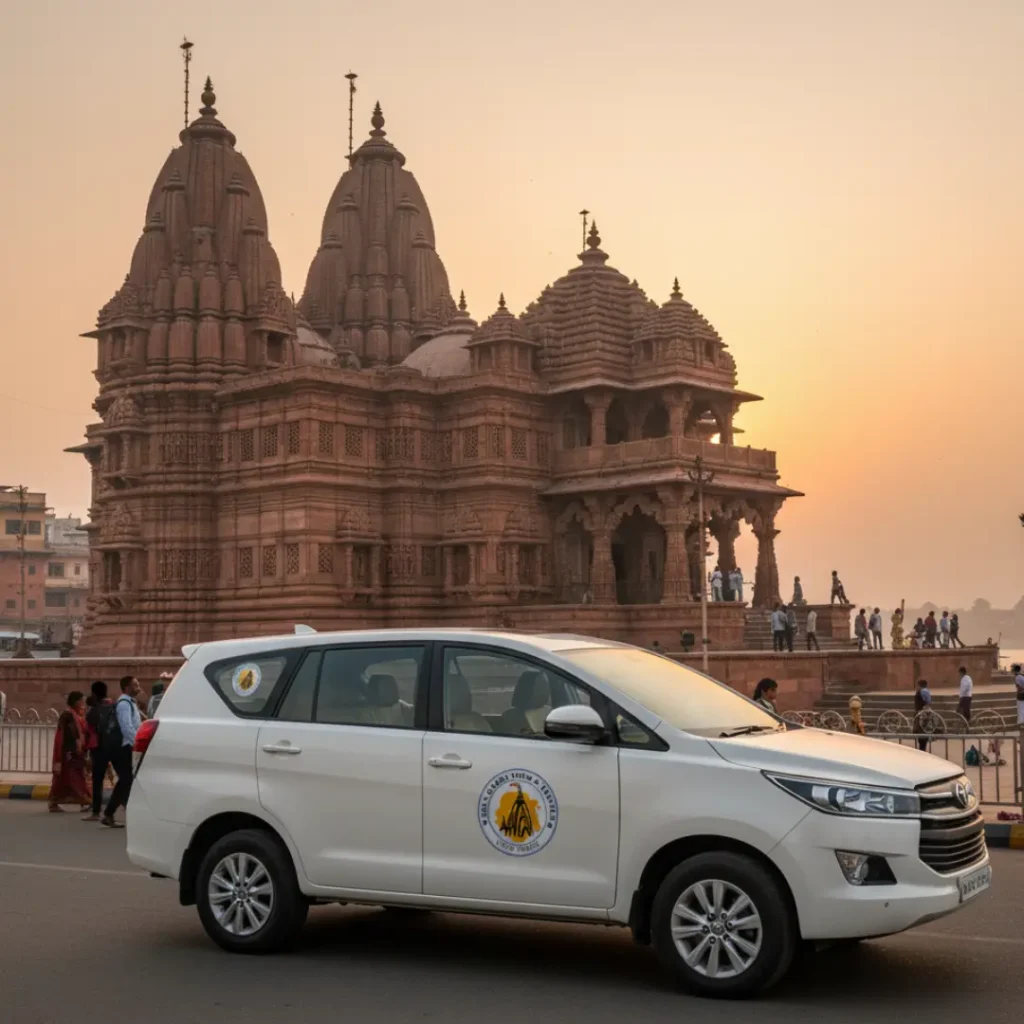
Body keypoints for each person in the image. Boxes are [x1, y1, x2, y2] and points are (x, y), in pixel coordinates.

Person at [101, 675, 142, 829]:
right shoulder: (124, 704)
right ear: (127, 688)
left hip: (125, 747)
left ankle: (118, 811)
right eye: (135, 685)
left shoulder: (130, 703)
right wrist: (137, 744)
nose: (138, 687)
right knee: (126, 780)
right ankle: (109, 813)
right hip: (122, 747)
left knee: (126, 780)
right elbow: (127, 728)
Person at [48, 691, 90, 813]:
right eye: (81, 701)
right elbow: (62, 735)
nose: (83, 704)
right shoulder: (67, 715)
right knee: (64, 779)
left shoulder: (76, 715)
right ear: (76, 702)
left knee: (79, 777)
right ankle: (54, 802)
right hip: (68, 753)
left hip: (76, 753)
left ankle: (84, 801)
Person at [83, 680, 113, 821]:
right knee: (124, 778)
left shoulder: (93, 711)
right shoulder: (113, 706)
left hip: (99, 749)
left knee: (98, 780)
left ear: (94, 693)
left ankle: (96, 812)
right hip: (114, 746)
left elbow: (90, 732)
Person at [914, 679, 933, 752]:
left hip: (921, 713)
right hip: (923, 713)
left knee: (921, 730)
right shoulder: (926, 691)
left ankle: (922, 749)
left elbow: (925, 702)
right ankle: (922, 748)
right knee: (923, 730)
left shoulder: (923, 692)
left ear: (919, 685)